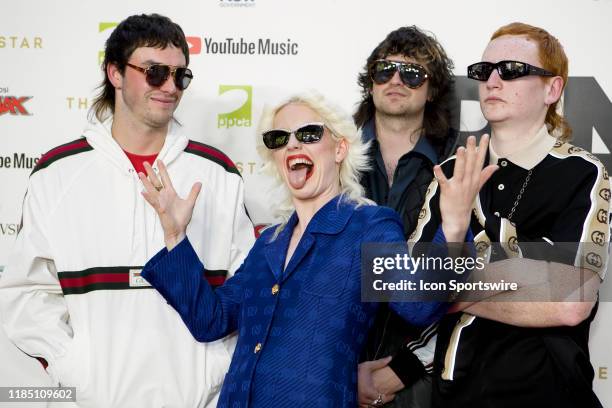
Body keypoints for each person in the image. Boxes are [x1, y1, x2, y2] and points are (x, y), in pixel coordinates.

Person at [138, 92, 496, 407]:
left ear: (339, 148)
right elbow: (210, 320)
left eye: (309, 134)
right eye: (280, 138)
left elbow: (418, 305)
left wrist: (453, 226)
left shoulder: (367, 226)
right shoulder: (269, 243)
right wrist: (175, 235)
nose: (293, 145)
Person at [0, 13, 254, 407]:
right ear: (115, 73)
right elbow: (26, 291)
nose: (170, 86)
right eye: (155, 73)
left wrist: (213, 369)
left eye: (180, 76)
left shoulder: (217, 173)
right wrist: (75, 368)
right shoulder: (57, 174)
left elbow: (247, 287)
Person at [411, 22, 610, 407]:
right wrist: (524, 274)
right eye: (484, 71)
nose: (493, 81)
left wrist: (451, 280)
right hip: (456, 396)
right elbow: (409, 291)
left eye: (512, 70)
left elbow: (570, 300)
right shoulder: (451, 172)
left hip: (551, 395)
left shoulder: (584, 173)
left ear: (552, 89)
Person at [355, 26, 457, 407]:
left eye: (412, 73)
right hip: (334, 370)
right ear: (371, 82)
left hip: (418, 379)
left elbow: (464, 280)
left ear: (431, 91)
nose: (396, 80)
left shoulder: (457, 168)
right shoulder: (333, 159)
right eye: (385, 70)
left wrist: (403, 369)